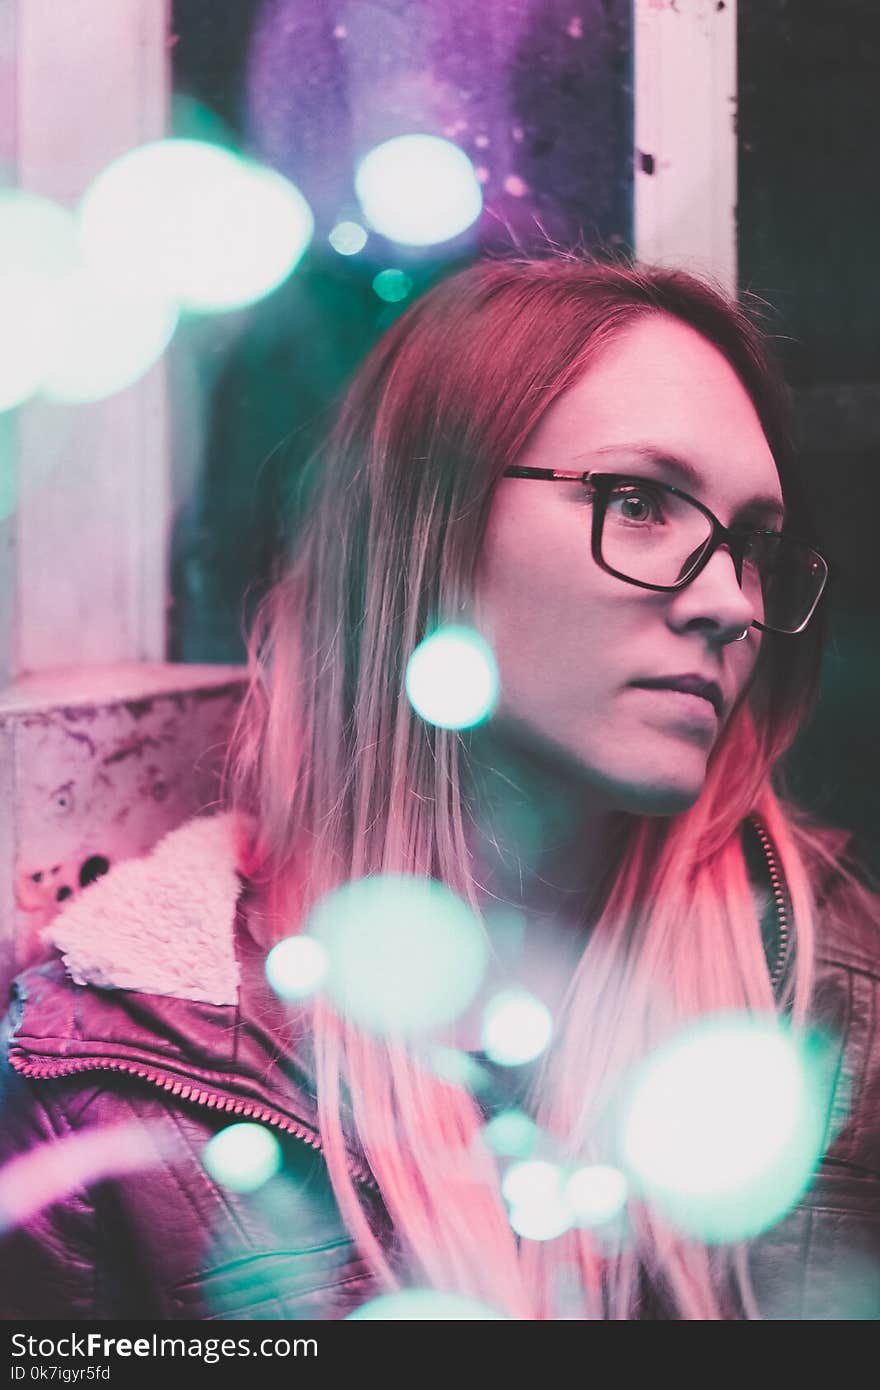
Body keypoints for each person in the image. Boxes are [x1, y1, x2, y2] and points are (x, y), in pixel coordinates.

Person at [1, 252, 878, 1321]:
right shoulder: (115, 1068)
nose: (733, 604)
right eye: (641, 501)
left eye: (752, 546)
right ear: (422, 530)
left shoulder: (831, 991)